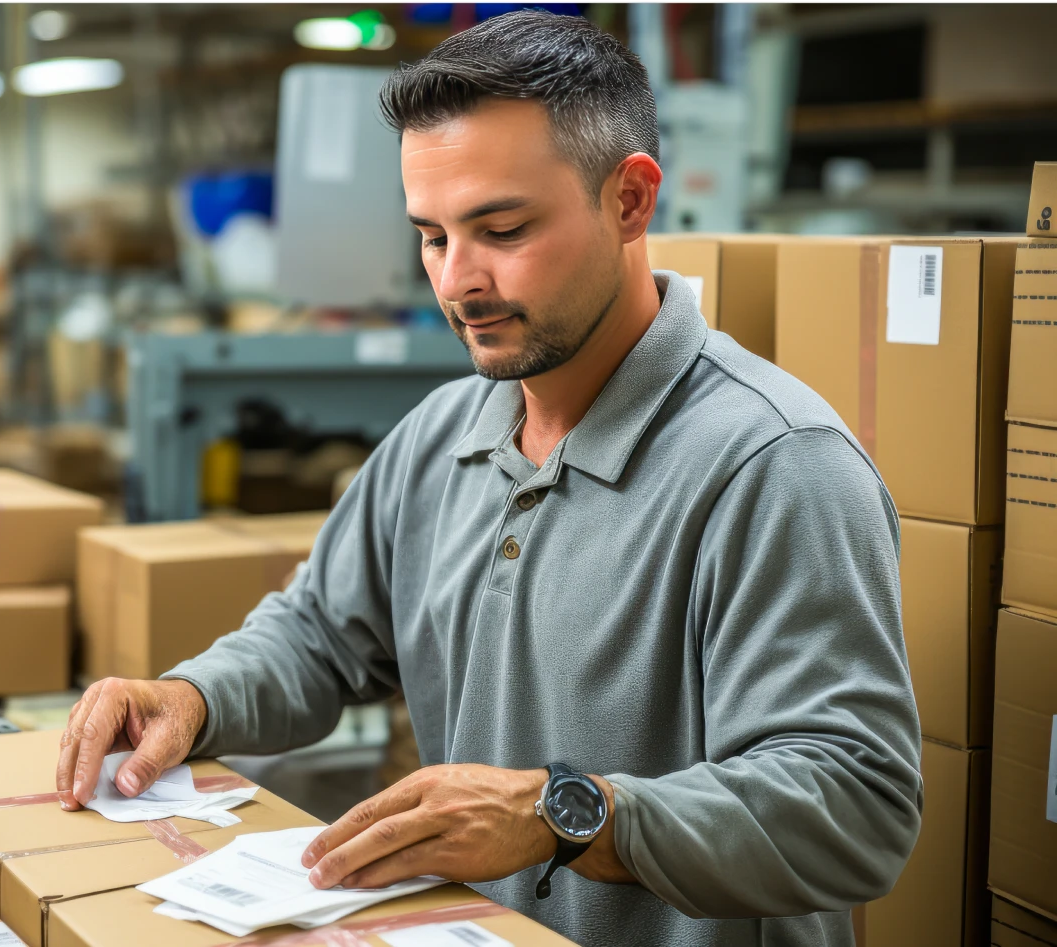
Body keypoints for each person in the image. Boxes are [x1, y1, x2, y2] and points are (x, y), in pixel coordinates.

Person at [55, 10, 922, 946]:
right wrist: (194, 697)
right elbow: (318, 636)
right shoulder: (442, 436)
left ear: (630, 201)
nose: (457, 281)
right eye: (430, 236)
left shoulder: (772, 465)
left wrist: (565, 811)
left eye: (501, 228)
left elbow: (857, 805)